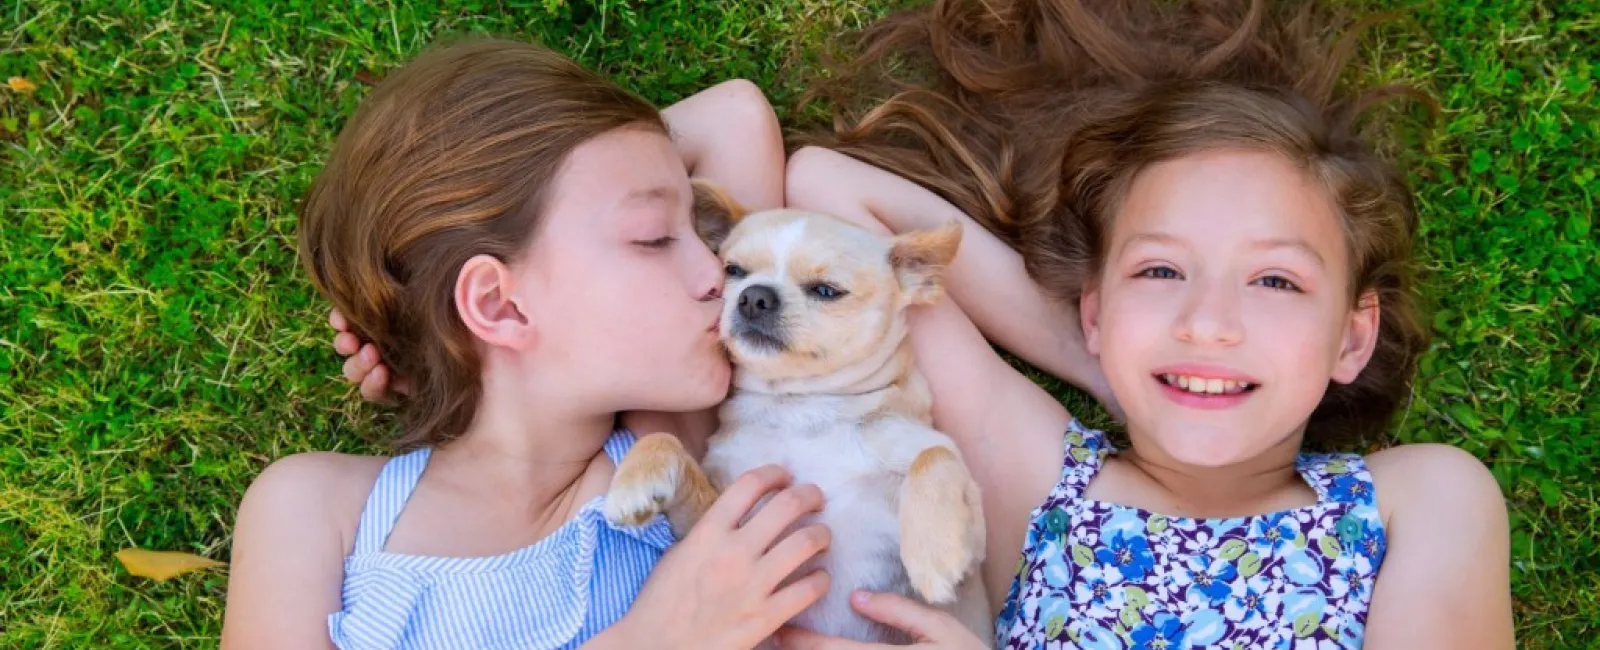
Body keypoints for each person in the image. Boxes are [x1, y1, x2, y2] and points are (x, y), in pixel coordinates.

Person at [334, 1, 1516, 648]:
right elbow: (829, 186)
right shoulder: (1035, 476)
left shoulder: (1421, 496)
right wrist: (1121, 370)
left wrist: (1145, 356)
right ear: (1091, 306)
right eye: (1161, 275)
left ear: (1349, 337)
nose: (1208, 322)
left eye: (1274, 287)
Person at [222, 38, 835, 650]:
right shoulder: (316, 509)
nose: (717, 275)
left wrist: (415, 311)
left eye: (696, 233)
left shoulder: (672, 456)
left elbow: (735, 118)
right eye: (653, 238)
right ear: (499, 305)